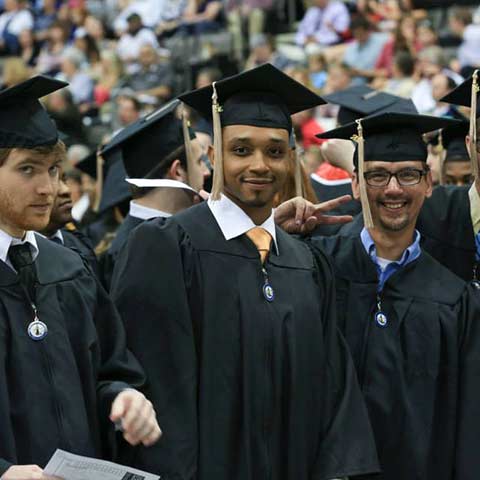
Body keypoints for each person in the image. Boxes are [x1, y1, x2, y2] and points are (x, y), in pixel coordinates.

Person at [111, 63, 379, 479]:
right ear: (215, 155)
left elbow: (334, 387)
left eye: (274, 151)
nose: (259, 164)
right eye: (241, 150)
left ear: (291, 159)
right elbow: (161, 392)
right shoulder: (167, 247)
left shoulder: (305, 263)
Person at [0, 76, 161, 480]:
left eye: (54, 170)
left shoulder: (67, 269)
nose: (49, 188)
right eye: (28, 169)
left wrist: (125, 398)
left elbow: (109, 369)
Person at [307, 111, 480, 479]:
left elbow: (467, 428)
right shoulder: (314, 269)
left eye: (408, 174)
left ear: (428, 183)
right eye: (377, 175)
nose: (393, 189)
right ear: (354, 184)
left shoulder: (457, 301)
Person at [100, 99, 210, 289]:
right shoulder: (142, 250)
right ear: (177, 172)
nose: (207, 172)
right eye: (200, 161)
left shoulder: (166, 233)